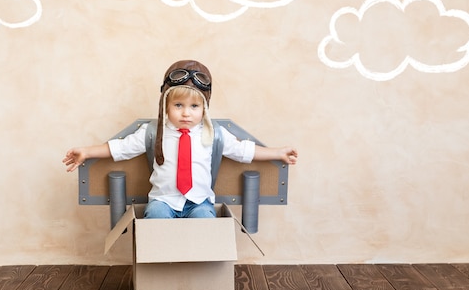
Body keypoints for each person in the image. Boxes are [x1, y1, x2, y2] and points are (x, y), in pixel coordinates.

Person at [63, 59, 298, 219]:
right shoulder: (153, 131)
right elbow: (120, 149)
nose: (186, 113)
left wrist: (277, 153)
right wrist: (87, 152)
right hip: (163, 201)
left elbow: (244, 151)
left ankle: (197, 269)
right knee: (155, 217)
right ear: (165, 104)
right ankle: (160, 269)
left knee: (206, 220)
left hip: (200, 202)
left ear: (204, 107)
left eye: (194, 106)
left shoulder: (213, 133)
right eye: (178, 105)